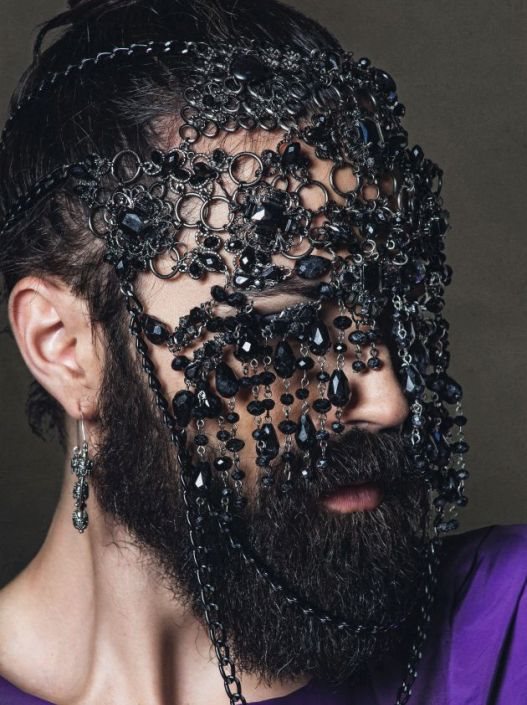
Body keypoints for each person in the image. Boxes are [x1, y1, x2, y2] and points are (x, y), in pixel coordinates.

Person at [0, 1, 525, 703]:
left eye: (391, 312)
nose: (387, 400)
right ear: (64, 346)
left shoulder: (501, 634)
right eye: (285, 327)